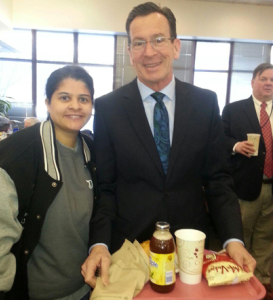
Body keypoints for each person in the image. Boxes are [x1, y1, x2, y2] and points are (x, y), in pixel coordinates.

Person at [81, 1, 256, 288]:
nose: (149, 51)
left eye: (158, 40)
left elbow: (218, 181)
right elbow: (106, 189)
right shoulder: (109, 108)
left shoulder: (205, 103)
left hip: (190, 249)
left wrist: (233, 239)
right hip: (129, 249)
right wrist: (99, 244)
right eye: (139, 43)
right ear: (130, 52)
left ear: (176, 46)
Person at [0, 65, 96, 300]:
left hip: (87, 290)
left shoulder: (92, 153)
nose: (75, 105)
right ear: (48, 103)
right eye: (65, 97)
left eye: (83, 99)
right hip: (35, 293)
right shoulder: (16, 155)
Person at [222, 63, 273, 300]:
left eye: (272, 80)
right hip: (244, 186)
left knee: (266, 238)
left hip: (271, 188)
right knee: (239, 236)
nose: (269, 83)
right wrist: (235, 146)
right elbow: (218, 140)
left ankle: (261, 283)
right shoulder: (234, 110)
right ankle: (238, 282)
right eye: (264, 79)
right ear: (252, 81)